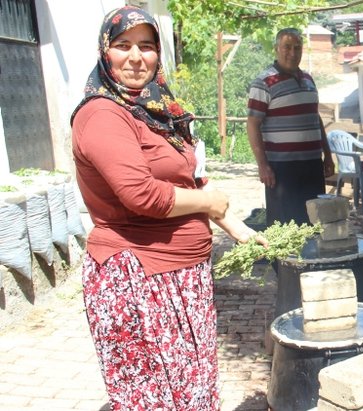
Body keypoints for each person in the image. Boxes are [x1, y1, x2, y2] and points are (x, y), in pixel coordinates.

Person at [70, 7, 266, 410]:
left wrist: (235, 227)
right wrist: (211, 201)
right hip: (139, 279)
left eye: (146, 46)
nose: (136, 57)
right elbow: (142, 194)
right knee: (157, 398)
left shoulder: (154, 110)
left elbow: (186, 178)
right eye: (123, 45)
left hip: (179, 277)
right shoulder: (102, 114)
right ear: (105, 52)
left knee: (191, 392)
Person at [247, 28, 335, 226]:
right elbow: (252, 124)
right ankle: (284, 260)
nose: (292, 53)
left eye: (297, 47)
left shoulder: (308, 80)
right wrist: (263, 165)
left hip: (312, 165)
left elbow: (315, 118)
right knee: (285, 225)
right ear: (276, 49)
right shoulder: (263, 83)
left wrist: (327, 156)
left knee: (314, 223)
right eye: (287, 47)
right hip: (282, 170)